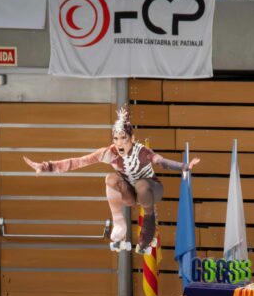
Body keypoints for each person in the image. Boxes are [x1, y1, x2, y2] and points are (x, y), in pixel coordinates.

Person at [23, 106, 199, 253]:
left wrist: (183, 167)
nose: (119, 143)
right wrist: (46, 166)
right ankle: (119, 223)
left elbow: (161, 162)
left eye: (124, 138)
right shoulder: (109, 153)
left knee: (142, 184)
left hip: (152, 190)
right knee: (111, 178)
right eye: (116, 139)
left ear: (132, 139)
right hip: (131, 193)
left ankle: (149, 222)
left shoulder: (142, 152)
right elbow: (79, 161)